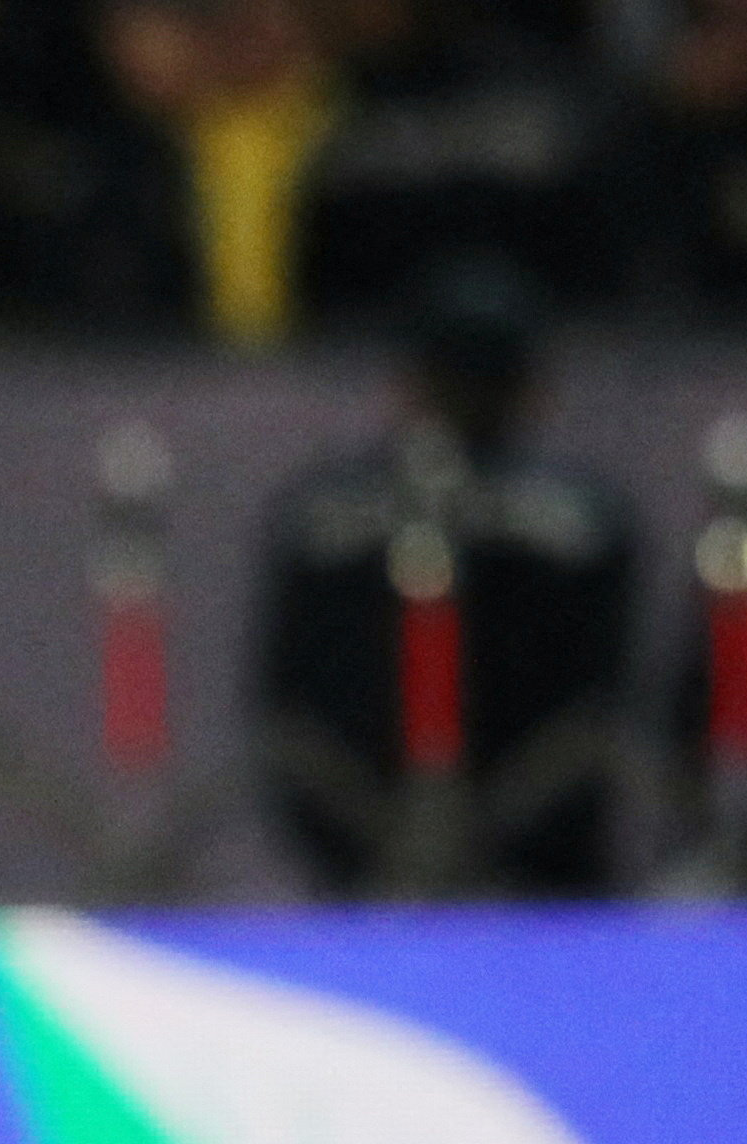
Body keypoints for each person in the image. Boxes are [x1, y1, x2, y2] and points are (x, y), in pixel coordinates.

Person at [251, 261, 638, 896]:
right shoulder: (590, 520)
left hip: (466, 857)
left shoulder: (318, 515)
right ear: (533, 390)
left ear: (408, 385)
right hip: (419, 854)